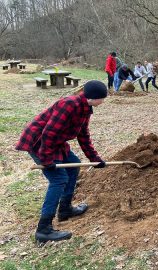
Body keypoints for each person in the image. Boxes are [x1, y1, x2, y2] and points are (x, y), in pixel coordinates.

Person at [15, 80, 108, 243]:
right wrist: (45, 159)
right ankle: (43, 230)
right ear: (93, 97)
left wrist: (94, 159)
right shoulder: (69, 104)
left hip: (55, 142)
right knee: (58, 179)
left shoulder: (85, 109)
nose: (103, 101)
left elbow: (83, 135)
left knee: (74, 166)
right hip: (39, 143)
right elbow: (49, 133)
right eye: (102, 98)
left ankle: (65, 210)